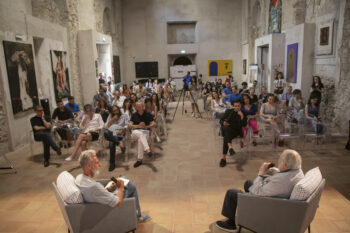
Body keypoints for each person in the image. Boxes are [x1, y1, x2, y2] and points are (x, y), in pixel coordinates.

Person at [216, 149, 304, 232]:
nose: (278, 161)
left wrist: (261, 174)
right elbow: (286, 174)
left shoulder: (281, 182)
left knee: (231, 193)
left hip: (264, 206)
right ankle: (245, 209)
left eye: (280, 160)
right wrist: (275, 171)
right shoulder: (297, 172)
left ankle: (230, 224)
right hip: (276, 201)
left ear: (285, 165)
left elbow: (257, 191)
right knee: (248, 183)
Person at [75, 150, 150, 222]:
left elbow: (97, 193)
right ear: (88, 166)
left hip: (100, 202)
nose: (100, 165)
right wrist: (120, 188)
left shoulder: (79, 178)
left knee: (122, 179)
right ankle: (138, 217)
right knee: (130, 186)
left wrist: (108, 189)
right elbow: (117, 202)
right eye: (97, 163)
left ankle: (136, 215)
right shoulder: (94, 186)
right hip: (108, 208)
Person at [219, 101, 247, 167]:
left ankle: (223, 158)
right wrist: (223, 123)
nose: (237, 107)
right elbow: (221, 120)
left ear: (241, 106)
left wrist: (242, 116)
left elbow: (244, 124)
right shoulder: (229, 111)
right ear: (233, 106)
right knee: (226, 128)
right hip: (226, 129)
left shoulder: (243, 113)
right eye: (235, 106)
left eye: (238, 106)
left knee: (226, 137)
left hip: (235, 131)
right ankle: (230, 148)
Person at [129, 101, 156, 168]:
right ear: (135, 107)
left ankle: (139, 160)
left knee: (140, 140)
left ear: (143, 106)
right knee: (140, 134)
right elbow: (130, 125)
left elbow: (153, 123)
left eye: (140, 106)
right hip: (135, 132)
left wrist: (146, 127)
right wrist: (138, 126)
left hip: (145, 132)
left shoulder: (148, 114)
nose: (138, 107)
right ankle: (147, 149)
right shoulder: (134, 115)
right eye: (137, 106)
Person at [104, 106, 128, 171]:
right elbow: (106, 126)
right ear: (112, 112)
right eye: (114, 111)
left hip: (120, 132)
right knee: (106, 133)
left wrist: (122, 130)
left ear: (119, 109)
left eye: (117, 110)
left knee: (111, 141)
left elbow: (127, 125)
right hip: (112, 133)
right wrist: (112, 120)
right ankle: (120, 144)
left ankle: (112, 163)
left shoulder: (124, 115)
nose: (116, 112)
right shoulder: (110, 116)